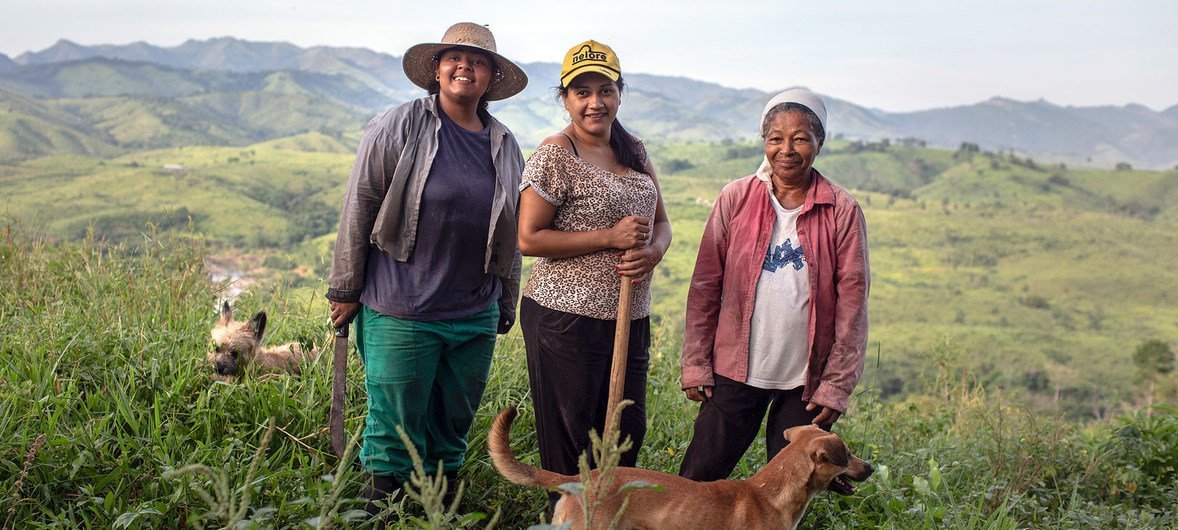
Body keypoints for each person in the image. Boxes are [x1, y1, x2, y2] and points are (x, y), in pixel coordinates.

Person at [325, 22, 527, 519]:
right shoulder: (399, 125)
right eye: (455, 57)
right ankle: (383, 512)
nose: (466, 67)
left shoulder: (504, 143)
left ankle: (440, 511)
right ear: (436, 70)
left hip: (474, 311)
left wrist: (507, 299)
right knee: (395, 423)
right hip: (401, 305)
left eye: (478, 61)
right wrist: (346, 287)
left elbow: (510, 231)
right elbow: (361, 204)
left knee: (452, 423)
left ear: (491, 77)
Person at [678, 88, 870, 482]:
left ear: (819, 143)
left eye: (800, 137)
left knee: (789, 492)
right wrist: (696, 362)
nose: (787, 149)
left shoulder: (842, 210)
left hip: (806, 382)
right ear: (763, 141)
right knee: (698, 480)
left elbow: (853, 305)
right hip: (734, 369)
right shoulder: (736, 198)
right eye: (776, 137)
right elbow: (705, 285)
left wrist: (835, 386)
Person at [517, 40, 671, 508]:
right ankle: (567, 519)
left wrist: (652, 254)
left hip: (630, 318)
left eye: (605, 90)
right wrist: (608, 236)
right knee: (572, 445)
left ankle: (610, 518)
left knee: (626, 433)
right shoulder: (555, 155)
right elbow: (528, 239)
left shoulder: (634, 149)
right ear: (564, 98)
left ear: (620, 93)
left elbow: (662, 225)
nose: (594, 102)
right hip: (565, 319)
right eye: (581, 91)